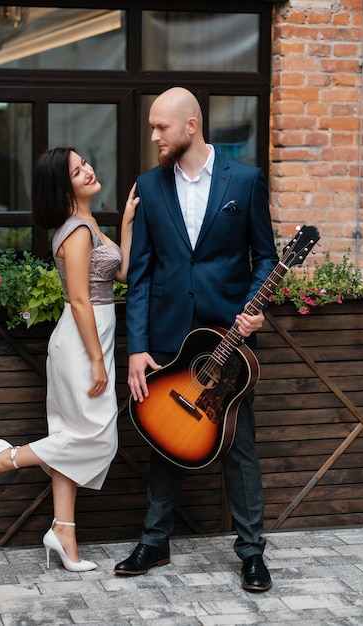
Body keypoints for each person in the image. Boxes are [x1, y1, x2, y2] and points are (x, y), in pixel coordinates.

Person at [114, 87, 278, 592]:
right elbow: (139, 275)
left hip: (225, 339)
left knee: (238, 446)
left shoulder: (245, 180)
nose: (154, 136)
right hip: (165, 337)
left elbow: (267, 258)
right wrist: (136, 347)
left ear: (191, 126)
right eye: (152, 127)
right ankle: (154, 540)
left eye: (162, 127)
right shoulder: (148, 184)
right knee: (165, 440)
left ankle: (251, 551)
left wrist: (253, 311)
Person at [0, 147, 139, 572]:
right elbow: (80, 299)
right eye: (76, 171)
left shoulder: (89, 224)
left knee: (72, 433)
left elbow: (122, 274)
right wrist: (99, 361)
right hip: (83, 340)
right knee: (97, 438)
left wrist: (127, 226)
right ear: (61, 187)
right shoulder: (77, 231)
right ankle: (0, 460)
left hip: (88, 335)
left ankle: (64, 531)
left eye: (85, 164)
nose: (88, 171)